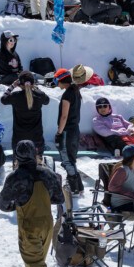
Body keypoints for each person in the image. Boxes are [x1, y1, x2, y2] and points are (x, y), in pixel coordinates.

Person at [0, 140, 64, 267]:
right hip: (47, 224)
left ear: (17, 156)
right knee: (33, 265)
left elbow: (4, 205)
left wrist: (19, 204)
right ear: (35, 153)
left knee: (36, 266)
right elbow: (58, 198)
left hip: (29, 226)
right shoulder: (48, 174)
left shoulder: (15, 177)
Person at [55, 65, 90, 193]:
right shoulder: (75, 90)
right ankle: (79, 187)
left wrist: (59, 133)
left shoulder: (67, 95)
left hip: (67, 132)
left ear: (61, 81)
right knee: (71, 158)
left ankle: (74, 188)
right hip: (75, 130)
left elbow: (64, 116)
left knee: (67, 159)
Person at [1, 71, 49, 156]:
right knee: (37, 165)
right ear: (33, 83)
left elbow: (3, 99)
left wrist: (12, 86)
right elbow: (47, 100)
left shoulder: (15, 96)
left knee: (18, 166)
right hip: (36, 139)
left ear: (19, 84)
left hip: (19, 139)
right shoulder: (39, 96)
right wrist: (36, 88)